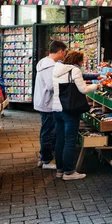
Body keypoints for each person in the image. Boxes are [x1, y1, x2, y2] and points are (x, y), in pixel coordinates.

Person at [52, 51, 98, 180]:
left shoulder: (56, 68)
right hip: (69, 109)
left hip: (56, 107)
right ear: (78, 61)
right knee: (70, 140)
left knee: (60, 139)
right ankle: (69, 172)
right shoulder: (74, 70)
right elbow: (83, 89)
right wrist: (96, 85)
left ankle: (60, 170)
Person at [34, 41, 67, 170]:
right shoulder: (50, 66)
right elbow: (51, 85)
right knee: (48, 131)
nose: (65, 54)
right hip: (47, 103)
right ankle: (46, 160)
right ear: (60, 51)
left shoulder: (45, 63)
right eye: (64, 52)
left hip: (44, 102)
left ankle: (43, 156)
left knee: (46, 129)